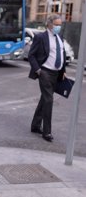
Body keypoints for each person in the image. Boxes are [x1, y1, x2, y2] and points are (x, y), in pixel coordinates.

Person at [28, 14, 66, 142]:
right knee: (49, 100)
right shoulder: (40, 37)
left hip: (57, 73)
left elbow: (62, 54)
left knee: (44, 99)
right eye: (56, 25)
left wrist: (63, 70)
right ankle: (47, 132)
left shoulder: (60, 37)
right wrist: (38, 70)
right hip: (45, 72)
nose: (58, 27)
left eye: (60, 25)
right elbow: (31, 55)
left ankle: (35, 125)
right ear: (49, 24)